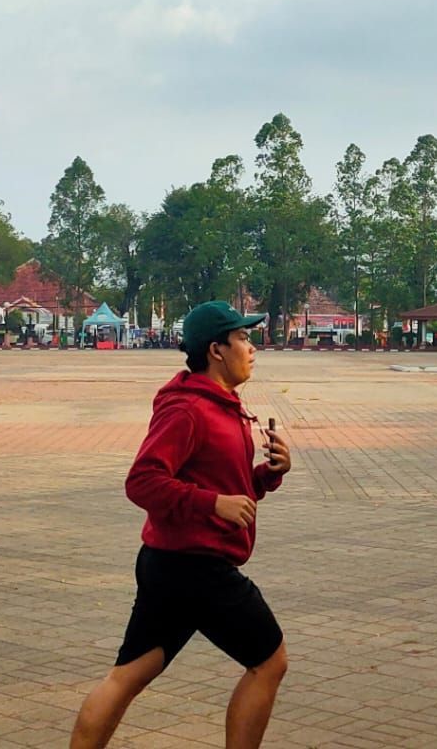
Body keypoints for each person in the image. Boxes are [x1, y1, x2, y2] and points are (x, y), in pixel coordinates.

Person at [70, 301, 292, 749]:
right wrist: (213, 505)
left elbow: (222, 485)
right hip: (196, 567)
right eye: (243, 339)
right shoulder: (188, 409)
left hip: (170, 565)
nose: (252, 348)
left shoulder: (222, 405)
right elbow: (142, 482)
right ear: (216, 349)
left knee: (127, 676)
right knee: (269, 661)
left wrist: (266, 475)